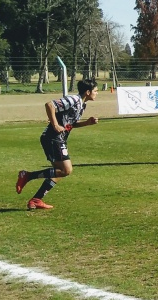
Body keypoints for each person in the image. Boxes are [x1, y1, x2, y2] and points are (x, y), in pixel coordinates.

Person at [15, 79, 100, 210]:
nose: (97, 93)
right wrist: (55, 124)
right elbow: (50, 105)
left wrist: (87, 123)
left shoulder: (82, 105)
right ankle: (27, 176)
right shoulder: (73, 100)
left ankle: (36, 200)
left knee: (60, 173)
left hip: (59, 139)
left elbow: (71, 124)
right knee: (66, 170)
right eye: (96, 91)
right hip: (52, 138)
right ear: (88, 92)